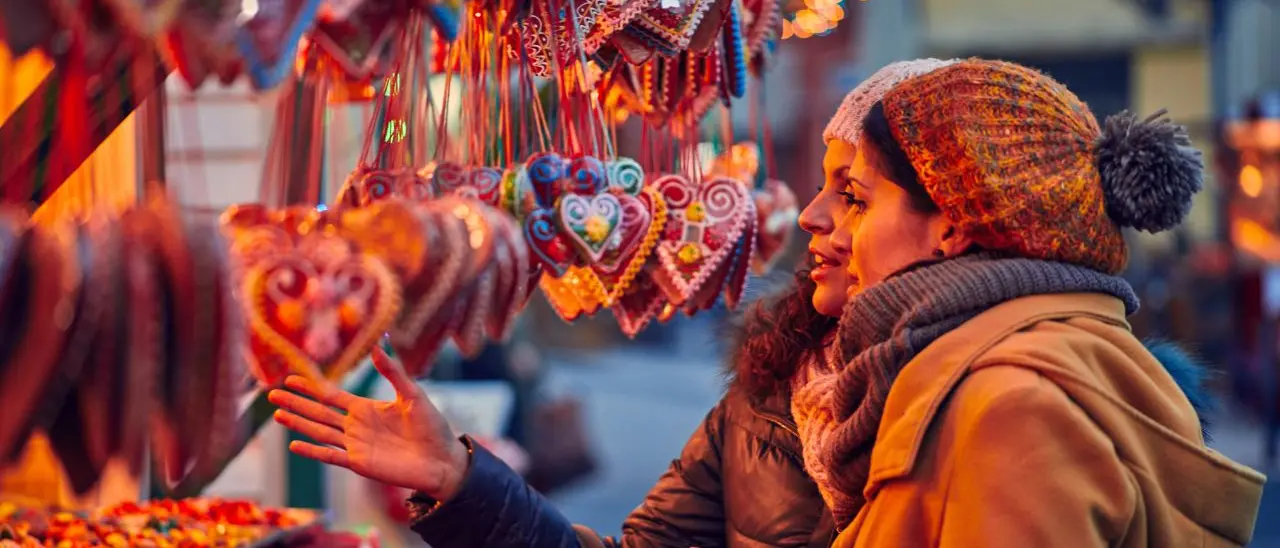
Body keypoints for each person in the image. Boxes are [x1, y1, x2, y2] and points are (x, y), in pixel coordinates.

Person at [266, 59, 957, 548]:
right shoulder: (777, 390)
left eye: (854, 196)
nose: (811, 217)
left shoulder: (1005, 398)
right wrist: (459, 479)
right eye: (822, 186)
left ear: (957, 224)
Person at [799, 58, 1265, 547]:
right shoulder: (1000, 375)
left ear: (953, 225)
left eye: (858, 200)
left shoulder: (1012, 410)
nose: (842, 229)